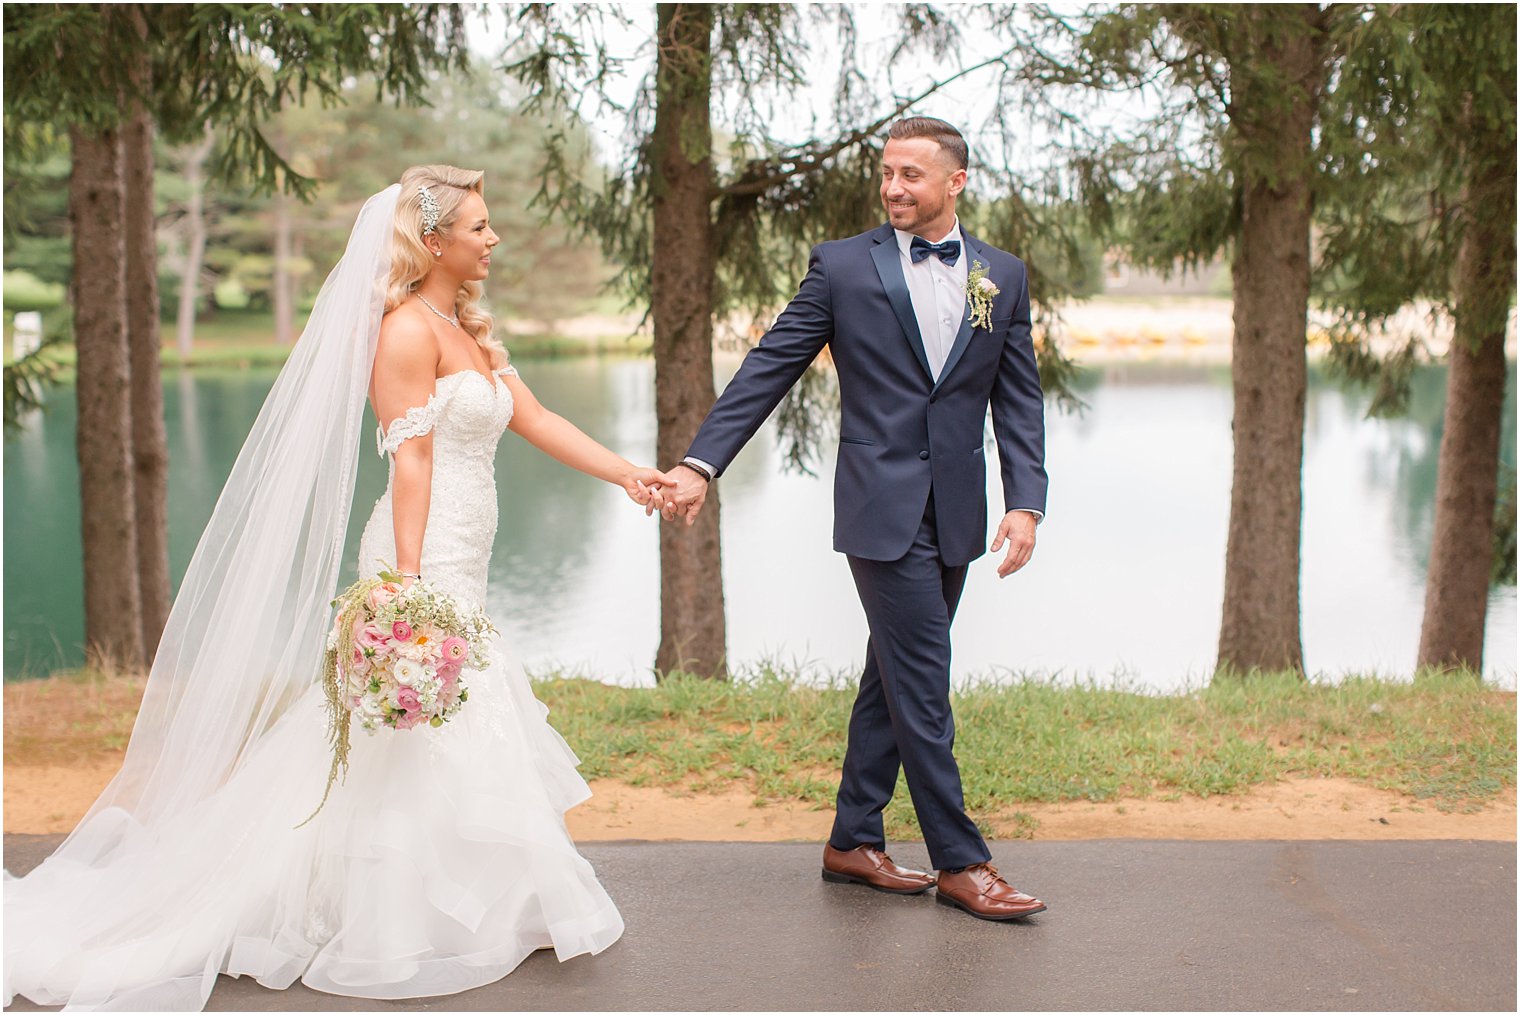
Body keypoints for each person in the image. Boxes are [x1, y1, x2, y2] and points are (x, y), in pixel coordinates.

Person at [4, 167, 665, 1010]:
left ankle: (457, 905)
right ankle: (377, 917)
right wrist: (409, 587)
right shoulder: (402, 333)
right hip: (417, 556)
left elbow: (532, 418)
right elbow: (413, 459)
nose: (492, 239)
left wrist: (628, 475)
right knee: (402, 729)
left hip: (464, 554)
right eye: (479, 226)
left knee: (453, 721)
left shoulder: (461, 323)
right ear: (434, 242)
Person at [657, 117, 1049, 921]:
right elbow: (772, 363)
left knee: (893, 677)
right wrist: (702, 463)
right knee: (923, 678)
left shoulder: (1001, 277)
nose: (894, 187)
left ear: (956, 183)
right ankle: (963, 862)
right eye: (887, 172)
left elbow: (1018, 396)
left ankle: (852, 838)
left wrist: (1025, 500)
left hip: (959, 511)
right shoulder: (841, 267)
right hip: (879, 507)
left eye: (912, 174)